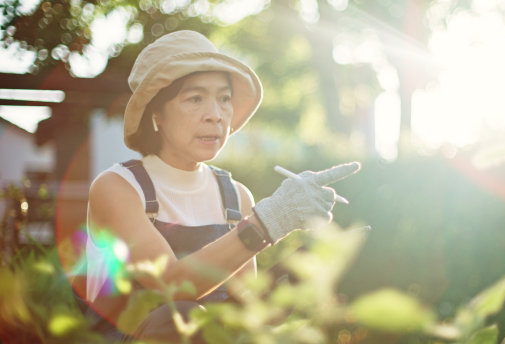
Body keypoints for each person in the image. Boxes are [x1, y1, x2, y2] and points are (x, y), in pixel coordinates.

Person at [82, 30, 360, 343]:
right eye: (195, 98)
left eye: (224, 99)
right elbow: (171, 288)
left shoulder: (235, 196)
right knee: (182, 316)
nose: (215, 115)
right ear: (156, 113)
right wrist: (268, 221)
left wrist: (300, 270)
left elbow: (241, 311)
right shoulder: (118, 187)